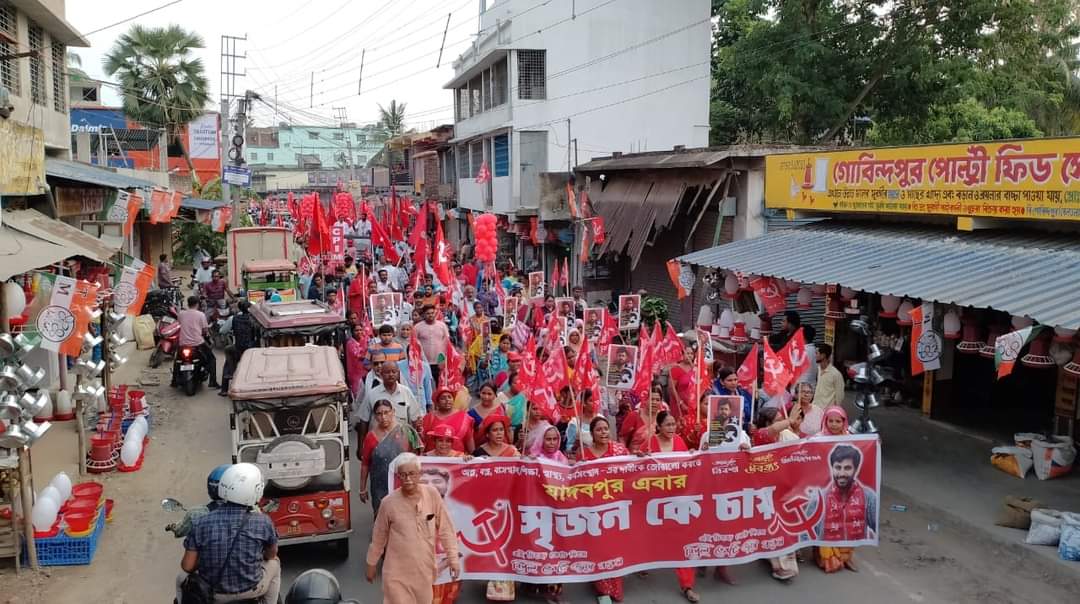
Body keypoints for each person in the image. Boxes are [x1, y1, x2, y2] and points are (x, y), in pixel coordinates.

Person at [178, 463, 280, 604]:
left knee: (182, 577)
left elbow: (187, 566)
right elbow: (271, 555)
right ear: (256, 490)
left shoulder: (201, 522)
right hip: (251, 590)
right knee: (275, 564)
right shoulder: (263, 521)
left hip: (213, 595)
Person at [366, 453, 461, 604]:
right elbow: (379, 536)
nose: (408, 479)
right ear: (398, 477)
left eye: (411, 474)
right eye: (403, 475)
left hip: (424, 572)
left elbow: (446, 529)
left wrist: (453, 559)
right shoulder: (388, 503)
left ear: (419, 474)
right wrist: (371, 562)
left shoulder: (432, 494)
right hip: (396, 573)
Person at [643, 411, 699, 602]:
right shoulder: (650, 443)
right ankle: (641, 564)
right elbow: (640, 467)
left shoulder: (680, 441)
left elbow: (687, 466)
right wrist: (641, 457)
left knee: (681, 540)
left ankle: (687, 585)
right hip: (654, 501)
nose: (671, 428)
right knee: (649, 534)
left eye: (673, 424)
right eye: (667, 425)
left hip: (677, 501)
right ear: (658, 426)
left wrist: (691, 455)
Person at [580, 416, 630, 602]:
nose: (603, 432)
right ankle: (602, 590)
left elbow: (632, 472)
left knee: (613, 549)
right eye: (599, 429)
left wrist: (641, 457)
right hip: (592, 509)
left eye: (606, 429)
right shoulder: (584, 454)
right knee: (598, 549)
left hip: (615, 508)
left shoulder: (619, 451)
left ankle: (615, 587)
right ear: (592, 434)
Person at [807, 443, 877, 573]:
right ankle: (822, 555)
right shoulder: (819, 498)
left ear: (856, 469)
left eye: (847, 468)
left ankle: (845, 557)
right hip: (825, 550)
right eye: (838, 467)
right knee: (826, 560)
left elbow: (876, 524)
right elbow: (806, 533)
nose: (842, 473)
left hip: (850, 544)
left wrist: (876, 445)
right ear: (831, 468)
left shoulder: (868, 496)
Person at [470, 415, 518, 601]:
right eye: (495, 430)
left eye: (502, 430)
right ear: (487, 434)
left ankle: (507, 587)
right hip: (486, 505)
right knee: (491, 545)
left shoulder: (513, 452)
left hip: (508, 504)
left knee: (506, 544)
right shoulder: (478, 453)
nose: (499, 434)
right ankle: (492, 587)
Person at [752, 408, 800, 581]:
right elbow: (771, 431)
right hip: (765, 488)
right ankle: (777, 565)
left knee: (786, 524)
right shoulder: (760, 435)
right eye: (778, 420)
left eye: (782, 419)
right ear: (767, 423)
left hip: (785, 486)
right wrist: (790, 420)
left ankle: (787, 564)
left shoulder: (787, 435)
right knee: (771, 525)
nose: (782, 422)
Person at [359, 400, 421, 516]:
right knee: (382, 517)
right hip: (379, 487)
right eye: (379, 414)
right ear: (375, 416)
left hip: (404, 483)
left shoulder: (406, 431)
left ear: (393, 412)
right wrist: (362, 488)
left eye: (386, 412)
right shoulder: (370, 437)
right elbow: (365, 464)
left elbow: (418, 457)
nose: (383, 417)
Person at [355, 363, 424, 446]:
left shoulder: (406, 392)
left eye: (394, 372)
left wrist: (416, 444)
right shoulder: (372, 394)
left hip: (402, 443)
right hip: (378, 443)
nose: (391, 374)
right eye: (387, 372)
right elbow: (363, 421)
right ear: (381, 374)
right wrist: (360, 445)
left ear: (398, 373)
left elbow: (415, 420)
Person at [175, 295, 219, 390]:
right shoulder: (201, 315)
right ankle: (213, 381)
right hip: (197, 343)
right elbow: (205, 330)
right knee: (212, 359)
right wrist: (205, 334)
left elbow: (179, 324)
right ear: (197, 304)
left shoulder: (181, 314)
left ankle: (174, 381)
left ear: (188, 304)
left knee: (177, 360)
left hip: (183, 343)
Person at [218, 300, 256, 396]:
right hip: (253, 350)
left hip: (238, 348)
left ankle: (225, 387)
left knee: (228, 351)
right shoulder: (255, 319)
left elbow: (222, 331)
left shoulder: (233, 318)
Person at [422, 388, 475, 454]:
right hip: (434, 458)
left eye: (449, 397)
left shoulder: (464, 417)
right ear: (437, 402)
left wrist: (474, 457)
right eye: (443, 398)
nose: (447, 400)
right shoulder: (429, 417)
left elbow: (469, 439)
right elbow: (423, 439)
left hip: (456, 458)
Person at [619, 386, 665, 453]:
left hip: (656, 458)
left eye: (657, 400)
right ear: (645, 400)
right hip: (635, 457)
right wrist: (625, 453)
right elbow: (622, 437)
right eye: (652, 399)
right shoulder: (634, 415)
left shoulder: (662, 416)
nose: (654, 402)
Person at [415, 305, 451, 385]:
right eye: (428, 313)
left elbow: (447, 342)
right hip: (424, 361)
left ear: (435, 313)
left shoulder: (442, 326)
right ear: (424, 315)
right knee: (425, 383)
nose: (430, 315)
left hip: (439, 361)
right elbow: (415, 344)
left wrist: (446, 358)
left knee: (440, 383)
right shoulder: (417, 327)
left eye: (432, 313)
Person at [712, 366, 752, 431]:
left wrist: (749, 425)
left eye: (735, 379)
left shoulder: (743, 393)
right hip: (721, 431)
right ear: (722, 382)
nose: (733, 383)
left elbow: (750, 414)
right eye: (729, 380)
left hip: (743, 431)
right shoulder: (715, 395)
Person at [667, 346, 696, 421]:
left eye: (691, 354)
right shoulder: (675, 369)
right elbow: (671, 389)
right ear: (682, 355)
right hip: (678, 404)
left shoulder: (696, 369)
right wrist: (681, 403)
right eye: (687, 353)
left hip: (693, 404)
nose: (689, 355)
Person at [813, 343, 846, 408]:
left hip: (827, 411)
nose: (815, 356)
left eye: (816, 353)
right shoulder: (819, 369)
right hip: (816, 408)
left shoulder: (836, 374)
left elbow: (840, 396)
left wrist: (833, 411)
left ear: (823, 355)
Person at [345, 323, 369, 399]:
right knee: (358, 396)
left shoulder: (365, 340)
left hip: (366, 372)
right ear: (352, 332)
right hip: (355, 373)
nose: (359, 332)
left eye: (360, 330)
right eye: (356, 330)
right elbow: (359, 355)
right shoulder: (350, 343)